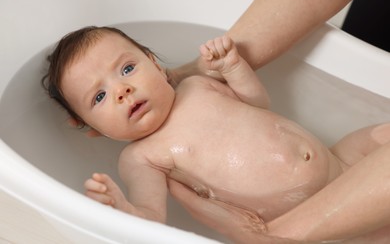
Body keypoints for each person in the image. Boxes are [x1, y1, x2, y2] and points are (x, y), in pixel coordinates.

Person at [42, 26, 390, 243]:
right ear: (90, 129)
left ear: (156, 64)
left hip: (339, 158)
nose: (122, 90)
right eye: (99, 97)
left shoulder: (198, 85)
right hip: (310, 213)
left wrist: (235, 69)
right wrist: (124, 210)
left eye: (128, 68)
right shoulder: (142, 157)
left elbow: (259, 105)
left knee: (378, 136)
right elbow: (152, 217)